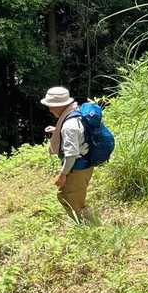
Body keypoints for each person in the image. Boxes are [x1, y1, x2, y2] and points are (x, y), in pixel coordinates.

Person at [41, 86, 93, 221]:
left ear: (60, 105)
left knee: (73, 202)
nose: (50, 109)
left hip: (77, 168)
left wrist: (63, 174)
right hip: (85, 164)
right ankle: (87, 226)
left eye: (51, 106)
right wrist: (57, 130)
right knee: (68, 198)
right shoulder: (75, 112)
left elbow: (71, 155)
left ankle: (93, 229)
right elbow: (79, 133)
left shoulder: (68, 126)